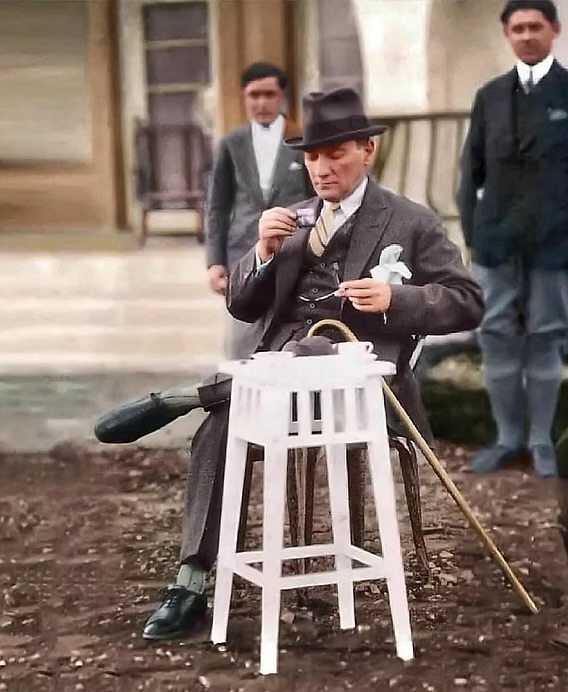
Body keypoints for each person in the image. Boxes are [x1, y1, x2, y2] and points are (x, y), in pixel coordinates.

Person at [137, 85, 484, 642]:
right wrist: (261, 252)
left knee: (312, 350)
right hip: (277, 388)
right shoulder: (293, 219)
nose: (321, 169)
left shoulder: (409, 222)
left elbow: (467, 300)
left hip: (363, 388)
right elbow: (241, 305)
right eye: (313, 157)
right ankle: (190, 583)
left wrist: (397, 298)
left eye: (335, 154)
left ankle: (187, 396)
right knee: (218, 429)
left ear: (367, 151)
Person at [458, 0, 568, 477]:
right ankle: (507, 439)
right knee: (496, 336)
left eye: (534, 27)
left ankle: (541, 440)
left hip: (555, 245)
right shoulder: (490, 96)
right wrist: (474, 234)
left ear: (554, 30)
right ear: (506, 34)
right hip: (497, 244)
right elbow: (471, 172)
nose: (526, 36)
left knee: (545, 338)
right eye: (517, 28)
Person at [206, 61, 313, 359]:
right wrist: (215, 261)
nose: (262, 103)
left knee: (290, 333)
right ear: (244, 97)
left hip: (293, 248)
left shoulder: (302, 140)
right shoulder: (232, 143)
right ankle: (239, 386)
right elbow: (217, 205)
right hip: (243, 251)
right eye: (254, 95)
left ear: (282, 98)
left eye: (269, 95)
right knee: (241, 335)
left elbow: (317, 198)